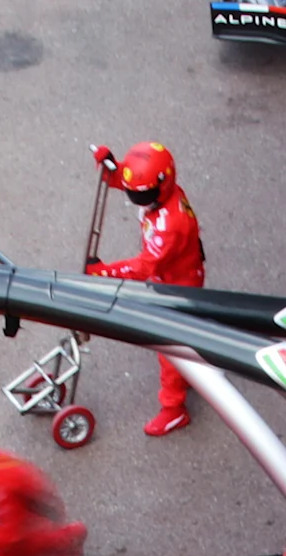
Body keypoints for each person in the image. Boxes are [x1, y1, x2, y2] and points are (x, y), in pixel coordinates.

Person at [83, 143, 206, 438]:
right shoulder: (157, 194)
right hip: (173, 274)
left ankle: (174, 409)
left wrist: (104, 271)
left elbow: (144, 267)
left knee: (168, 348)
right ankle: (194, 369)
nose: (138, 199)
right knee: (184, 335)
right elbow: (133, 184)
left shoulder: (170, 224)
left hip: (177, 285)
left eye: (143, 194)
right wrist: (112, 169)